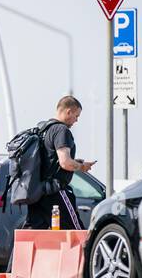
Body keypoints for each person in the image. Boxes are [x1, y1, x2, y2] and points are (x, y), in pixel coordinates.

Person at [23, 95, 94, 231]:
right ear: (69, 112)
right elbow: (65, 162)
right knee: (76, 232)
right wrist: (81, 166)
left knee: (32, 235)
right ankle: (85, 253)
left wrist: (75, 162)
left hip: (39, 192)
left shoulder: (43, 129)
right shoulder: (62, 131)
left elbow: (50, 160)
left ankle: (17, 253)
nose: (76, 120)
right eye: (76, 116)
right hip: (55, 191)